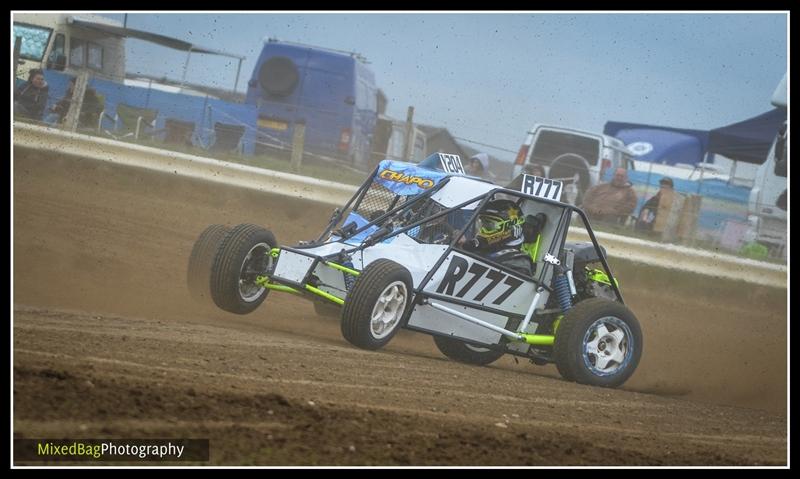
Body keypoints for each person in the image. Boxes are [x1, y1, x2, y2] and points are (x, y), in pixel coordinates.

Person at [462, 199, 547, 276]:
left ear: (511, 227)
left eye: (490, 225)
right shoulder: (485, 247)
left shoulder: (518, 263)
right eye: (482, 224)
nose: (482, 230)